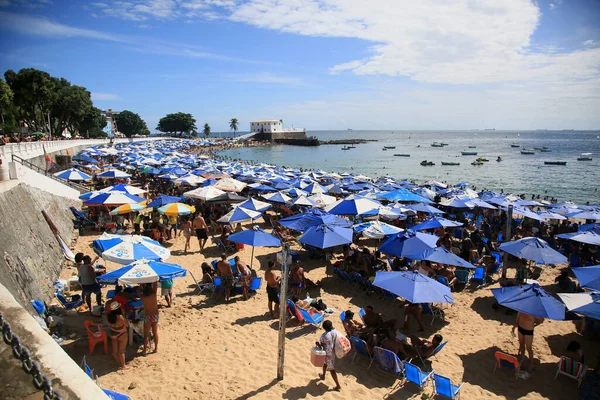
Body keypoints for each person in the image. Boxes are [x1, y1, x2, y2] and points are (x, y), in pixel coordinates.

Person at [315, 320, 342, 391]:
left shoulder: (323, 336)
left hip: (327, 355)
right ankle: (323, 375)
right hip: (332, 352)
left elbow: (322, 347)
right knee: (324, 364)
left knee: (332, 370)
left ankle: (338, 385)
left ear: (324, 328)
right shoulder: (333, 332)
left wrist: (317, 344)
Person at [137, 282, 159, 354]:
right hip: (155, 315)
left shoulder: (143, 297)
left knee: (146, 334)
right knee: (155, 332)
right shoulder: (154, 294)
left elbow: (138, 290)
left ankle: (145, 350)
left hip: (148, 316)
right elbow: (155, 285)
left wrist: (141, 284)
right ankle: (155, 348)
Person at [107, 302, 129, 370]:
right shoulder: (119, 316)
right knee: (121, 351)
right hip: (121, 333)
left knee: (115, 351)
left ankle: (118, 362)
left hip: (113, 333)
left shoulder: (109, 316)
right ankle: (123, 366)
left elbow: (108, 325)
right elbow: (127, 324)